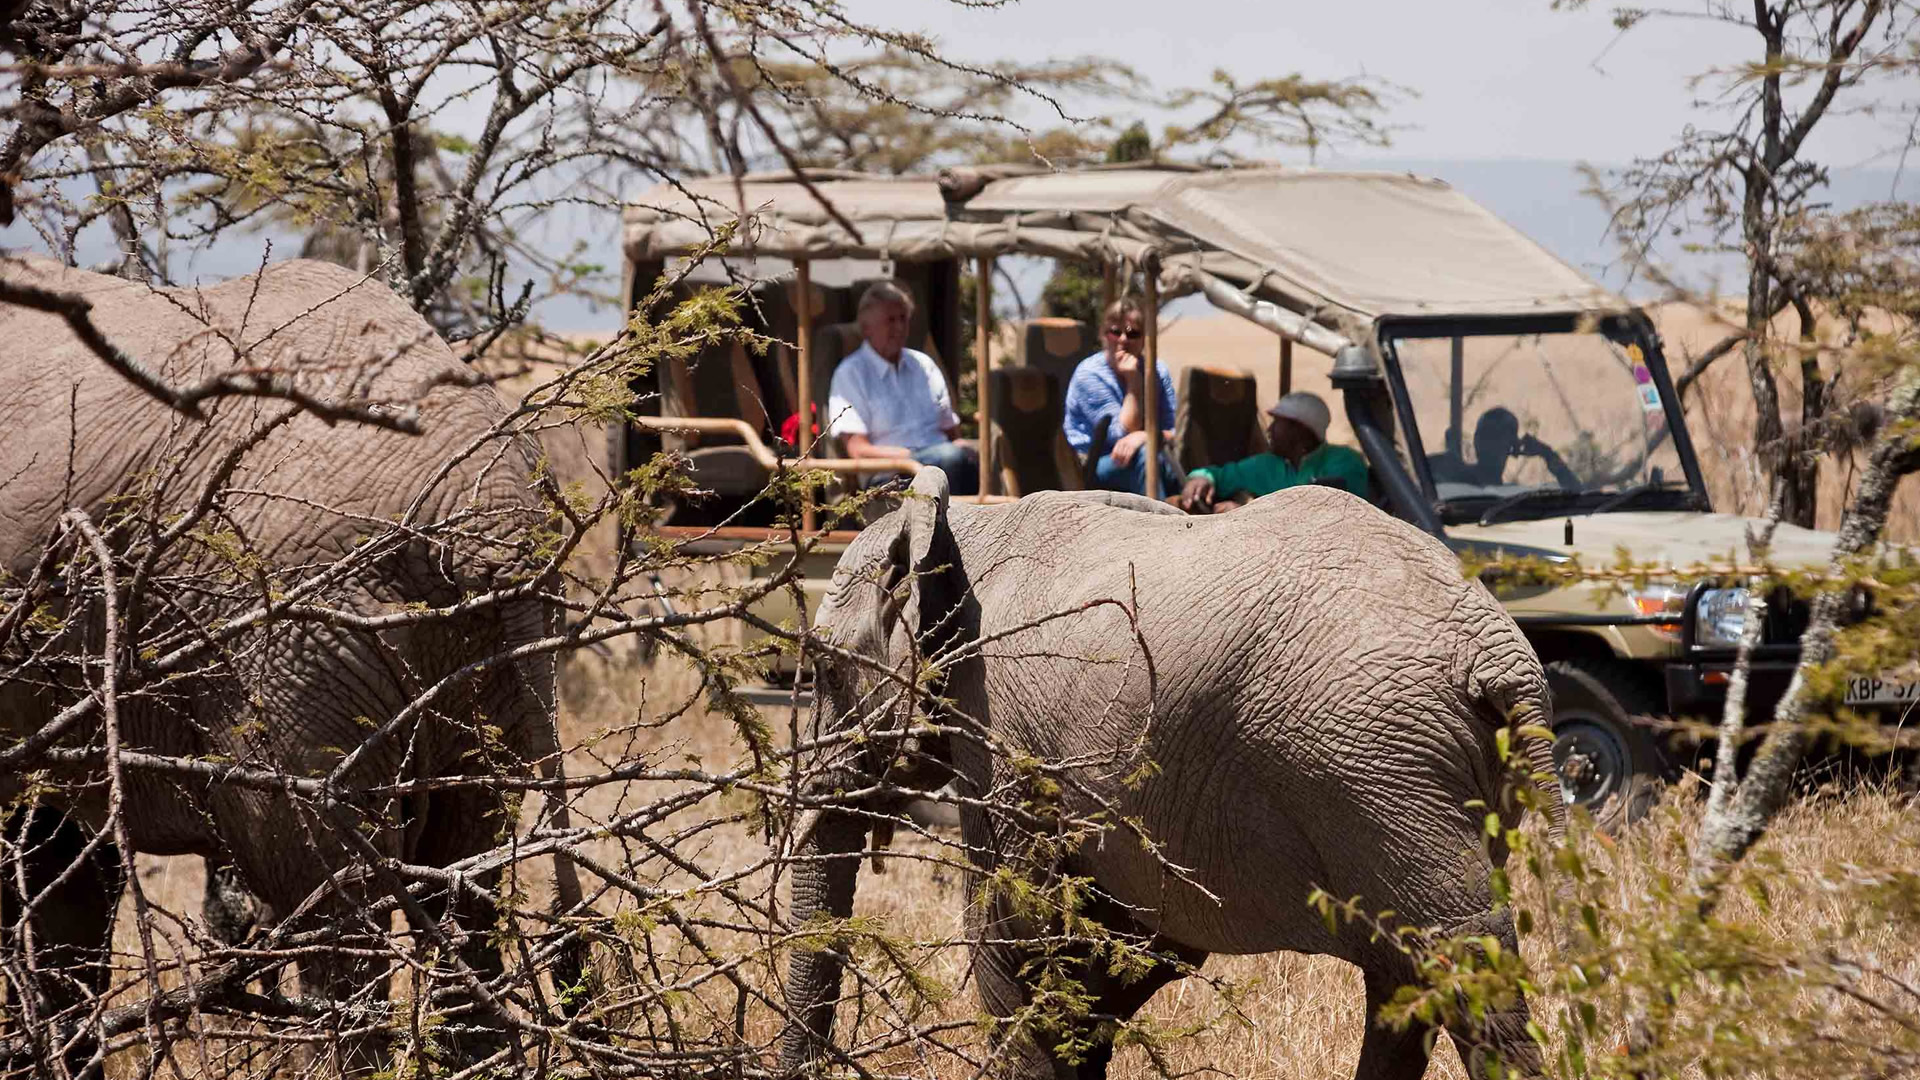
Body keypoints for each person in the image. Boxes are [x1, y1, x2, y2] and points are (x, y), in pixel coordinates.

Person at [826, 281, 979, 495]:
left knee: (976, 456)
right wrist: (908, 457)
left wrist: (969, 449)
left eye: (903, 319)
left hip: (942, 461)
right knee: (951, 459)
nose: (899, 328)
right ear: (866, 328)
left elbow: (951, 433)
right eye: (890, 320)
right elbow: (859, 451)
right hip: (889, 475)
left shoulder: (923, 364)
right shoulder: (851, 374)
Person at [1062, 298, 1180, 496]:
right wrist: (1133, 380)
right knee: (1147, 457)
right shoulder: (1089, 374)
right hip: (1094, 464)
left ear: (1144, 339)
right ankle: (1159, 523)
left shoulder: (1158, 371)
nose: (1123, 340)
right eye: (1115, 332)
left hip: (1151, 456)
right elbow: (1122, 434)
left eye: (1133, 334)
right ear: (1103, 334)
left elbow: (1174, 431)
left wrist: (1146, 436)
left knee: (1195, 474)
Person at [1179, 391, 1369, 513]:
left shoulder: (1345, 463)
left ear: (1299, 430)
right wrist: (1202, 479)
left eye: (1278, 424)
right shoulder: (1266, 465)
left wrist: (1245, 511)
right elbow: (1220, 475)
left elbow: (1318, 515)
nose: (1269, 431)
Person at [1428, 406, 1580, 491]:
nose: (1487, 443)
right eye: (1483, 435)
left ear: (1513, 446)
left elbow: (1576, 493)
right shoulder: (1457, 478)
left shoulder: (1513, 498)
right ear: (1475, 439)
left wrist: (1547, 454)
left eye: (1496, 436)